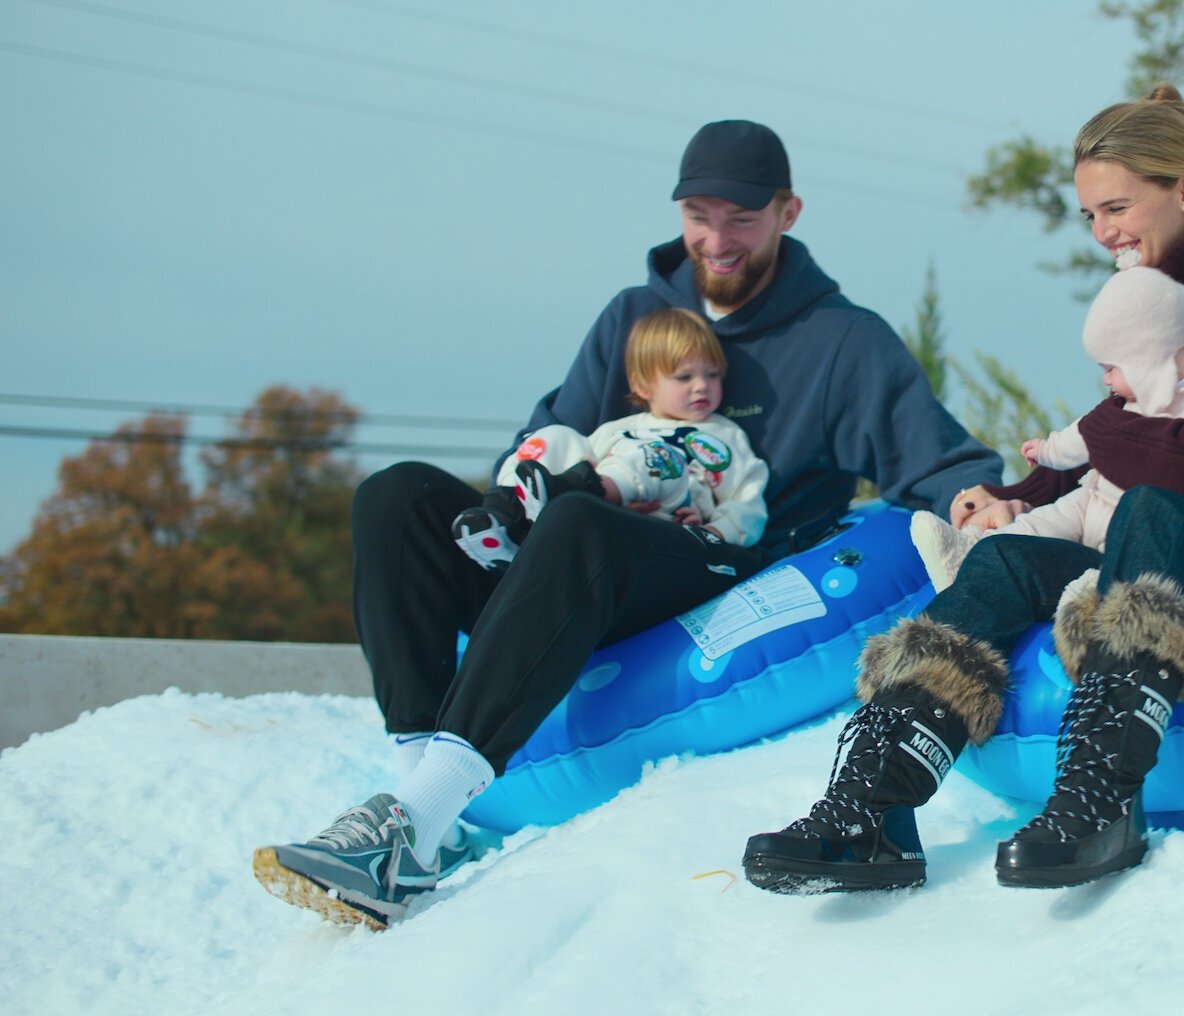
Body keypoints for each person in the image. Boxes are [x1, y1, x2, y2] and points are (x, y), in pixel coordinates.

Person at [252, 119, 1004, 929]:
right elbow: (547, 435)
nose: (716, 241)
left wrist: (981, 501)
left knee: (579, 521)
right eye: (699, 215)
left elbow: (934, 457)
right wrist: (515, 498)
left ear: (788, 212)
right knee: (394, 495)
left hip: (712, 561)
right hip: (578, 559)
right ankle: (413, 813)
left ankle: (417, 821)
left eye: (742, 219)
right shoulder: (634, 317)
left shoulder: (841, 342)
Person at [743, 85, 1184, 893]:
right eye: (1089, 215)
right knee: (1007, 559)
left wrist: (1104, 436)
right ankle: (870, 812)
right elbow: (1110, 432)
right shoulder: (1147, 301)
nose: (1103, 232)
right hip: (1168, 541)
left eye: (1117, 207)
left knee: (1155, 510)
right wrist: (1016, 496)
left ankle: (1100, 799)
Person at [908, 265, 1184, 591]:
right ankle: (971, 554)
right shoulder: (1127, 402)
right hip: (1092, 499)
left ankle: (1088, 591)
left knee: (1109, 562)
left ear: (1148, 355)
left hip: (1136, 524)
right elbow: (1083, 435)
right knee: (1040, 525)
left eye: (1111, 367)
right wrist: (1048, 450)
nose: (1105, 378)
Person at [450, 306, 769, 571]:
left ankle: (575, 492)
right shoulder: (619, 429)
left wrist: (713, 531)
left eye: (712, 374)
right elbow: (581, 455)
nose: (701, 385)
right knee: (553, 437)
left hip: (669, 518)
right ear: (643, 386)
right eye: (684, 377)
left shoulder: (726, 434)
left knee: (657, 456)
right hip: (605, 513)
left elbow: (748, 503)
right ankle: (503, 519)